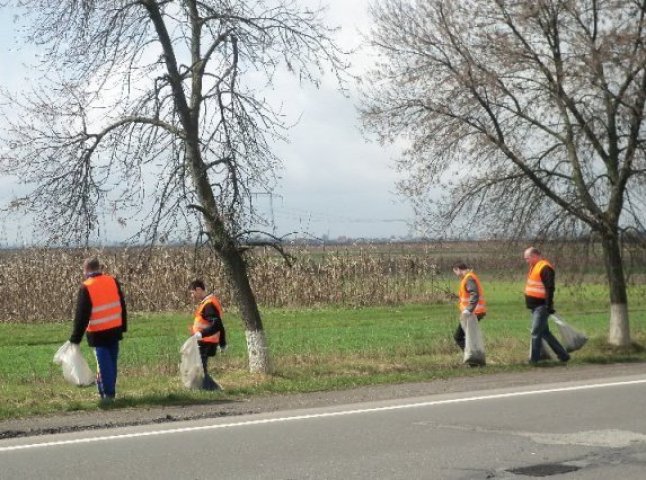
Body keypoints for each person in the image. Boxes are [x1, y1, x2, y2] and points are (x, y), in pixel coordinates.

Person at [69, 258, 127, 402]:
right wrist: (123, 326)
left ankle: (108, 395)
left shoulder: (86, 287)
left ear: (86, 269)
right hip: (114, 329)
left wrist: (75, 338)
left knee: (104, 365)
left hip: (98, 332)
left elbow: (81, 315)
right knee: (111, 364)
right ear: (99, 267)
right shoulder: (112, 281)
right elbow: (122, 304)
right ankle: (106, 392)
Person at [524, 247, 570, 364]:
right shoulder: (534, 267)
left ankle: (534, 360)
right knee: (544, 333)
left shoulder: (545, 268)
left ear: (535, 256)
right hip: (535, 307)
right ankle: (563, 355)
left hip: (541, 306)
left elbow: (550, 288)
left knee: (535, 332)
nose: (526, 261)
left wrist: (548, 306)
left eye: (527, 258)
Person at [188, 279, 227, 391]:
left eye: (192, 292)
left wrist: (201, 334)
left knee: (199, 369)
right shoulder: (207, 302)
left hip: (206, 342)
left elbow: (217, 324)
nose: (192, 296)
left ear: (199, 290)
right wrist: (222, 342)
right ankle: (210, 389)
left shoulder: (209, 304)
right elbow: (219, 324)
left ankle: (214, 390)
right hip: (205, 341)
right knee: (199, 368)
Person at [452, 262, 487, 354]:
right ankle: (474, 358)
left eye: (455, 272)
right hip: (474, 312)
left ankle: (473, 358)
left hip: (472, 313)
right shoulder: (468, 277)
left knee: (459, 337)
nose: (455, 274)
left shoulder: (469, 278)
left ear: (458, 269)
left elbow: (474, 294)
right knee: (468, 337)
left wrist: (468, 309)